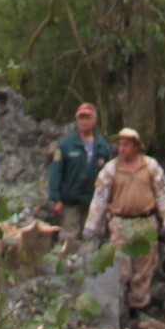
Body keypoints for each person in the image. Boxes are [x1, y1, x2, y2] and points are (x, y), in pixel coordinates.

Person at [81, 128, 165, 316]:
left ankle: (138, 306)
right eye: (120, 144)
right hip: (120, 223)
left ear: (135, 147)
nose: (121, 149)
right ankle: (119, 305)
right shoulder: (110, 169)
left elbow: (162, 194)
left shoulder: (150, 166)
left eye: (126, 145)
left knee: (145, 266)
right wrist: (91, 226)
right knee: (120, 266)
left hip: (145, 222)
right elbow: (99, 199)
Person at [47, 102, 112, 254]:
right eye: (81, 118)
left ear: (94, 120)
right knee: (69, 238)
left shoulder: (102, 146)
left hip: (94, 202)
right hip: (71, 200)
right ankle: (66, 271)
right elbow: (56, 172)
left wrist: (110, 200)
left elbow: (110, 176)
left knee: (93, 238)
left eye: (88, 117)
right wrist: (56, 198)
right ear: (77, 120)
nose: (84, 121)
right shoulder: (66, 144)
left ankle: (90, 272)